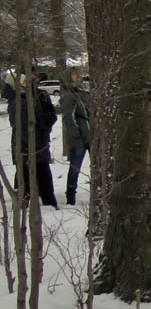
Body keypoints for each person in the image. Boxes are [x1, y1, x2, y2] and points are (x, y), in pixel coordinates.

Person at [3, 73, 59, 209]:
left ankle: (48, 203)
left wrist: (48, 118)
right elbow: (23, 128)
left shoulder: (27, 99)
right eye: (25, 82)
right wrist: (34, 146)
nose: (29, 84)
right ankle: (31, 205)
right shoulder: (18, 102)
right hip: (28, 147)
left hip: (35, 145)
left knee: (38, 175)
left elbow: (38, 120)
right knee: (30, 178)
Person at [59, 68, 92, 206]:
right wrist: (77, 137)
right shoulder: (68, 97)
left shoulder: (83, 94)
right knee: (75, 168)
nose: (78, 77)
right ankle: (70, 197)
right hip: (79, 138)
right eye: (74, 75)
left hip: (90, 137)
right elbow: (68, 119)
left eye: (78, 75)